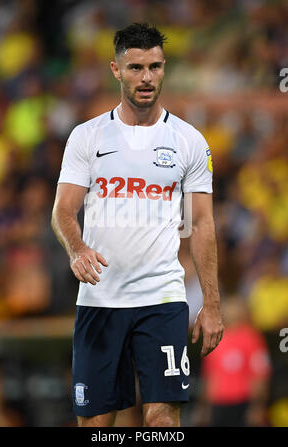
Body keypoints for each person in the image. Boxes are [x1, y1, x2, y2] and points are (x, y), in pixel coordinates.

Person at [51, 22, 224, 427]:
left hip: (162, 299)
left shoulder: (190, 141)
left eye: (155, 67)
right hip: (100, 301)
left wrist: (212, 305)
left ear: (164, 68)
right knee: (96, 424)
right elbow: (62, 210)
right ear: (116, 69)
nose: (146, 77)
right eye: (135, 68)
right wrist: (76, 249)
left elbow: (201, 224)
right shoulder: (86, 137)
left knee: (162, 421)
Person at [194, 296, 271, 427]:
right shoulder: (216, 337)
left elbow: (260, 374)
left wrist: (257, 407)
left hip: (243, 401)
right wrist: (205, 408)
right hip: (218, 403)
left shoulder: (252, 338)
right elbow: (210, 376)